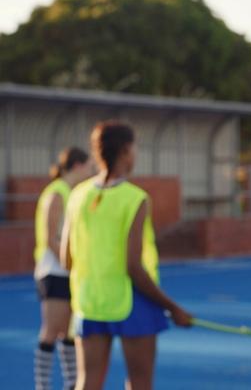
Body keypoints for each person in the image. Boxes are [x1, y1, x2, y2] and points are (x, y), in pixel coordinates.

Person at [60, 121, 192, 390]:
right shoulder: (135, 198)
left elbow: (66, 259)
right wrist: (172, 307)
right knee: (140, 383)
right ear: (125, 151)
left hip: (90, 302)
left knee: (87, 382)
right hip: (133, 302)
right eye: (135, 147)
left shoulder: (77, 195)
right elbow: (133, 266)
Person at [34, 147, 93, 390]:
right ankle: (42, 385)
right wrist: (71, 261)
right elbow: (51, 237)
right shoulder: (57, 193)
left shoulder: (74, 192)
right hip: (54, 270)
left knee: (70, 331)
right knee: (51, 330)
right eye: (89, 167)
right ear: (78, 166)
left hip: (69, 271)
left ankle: (71, 382)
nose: (91, 172)